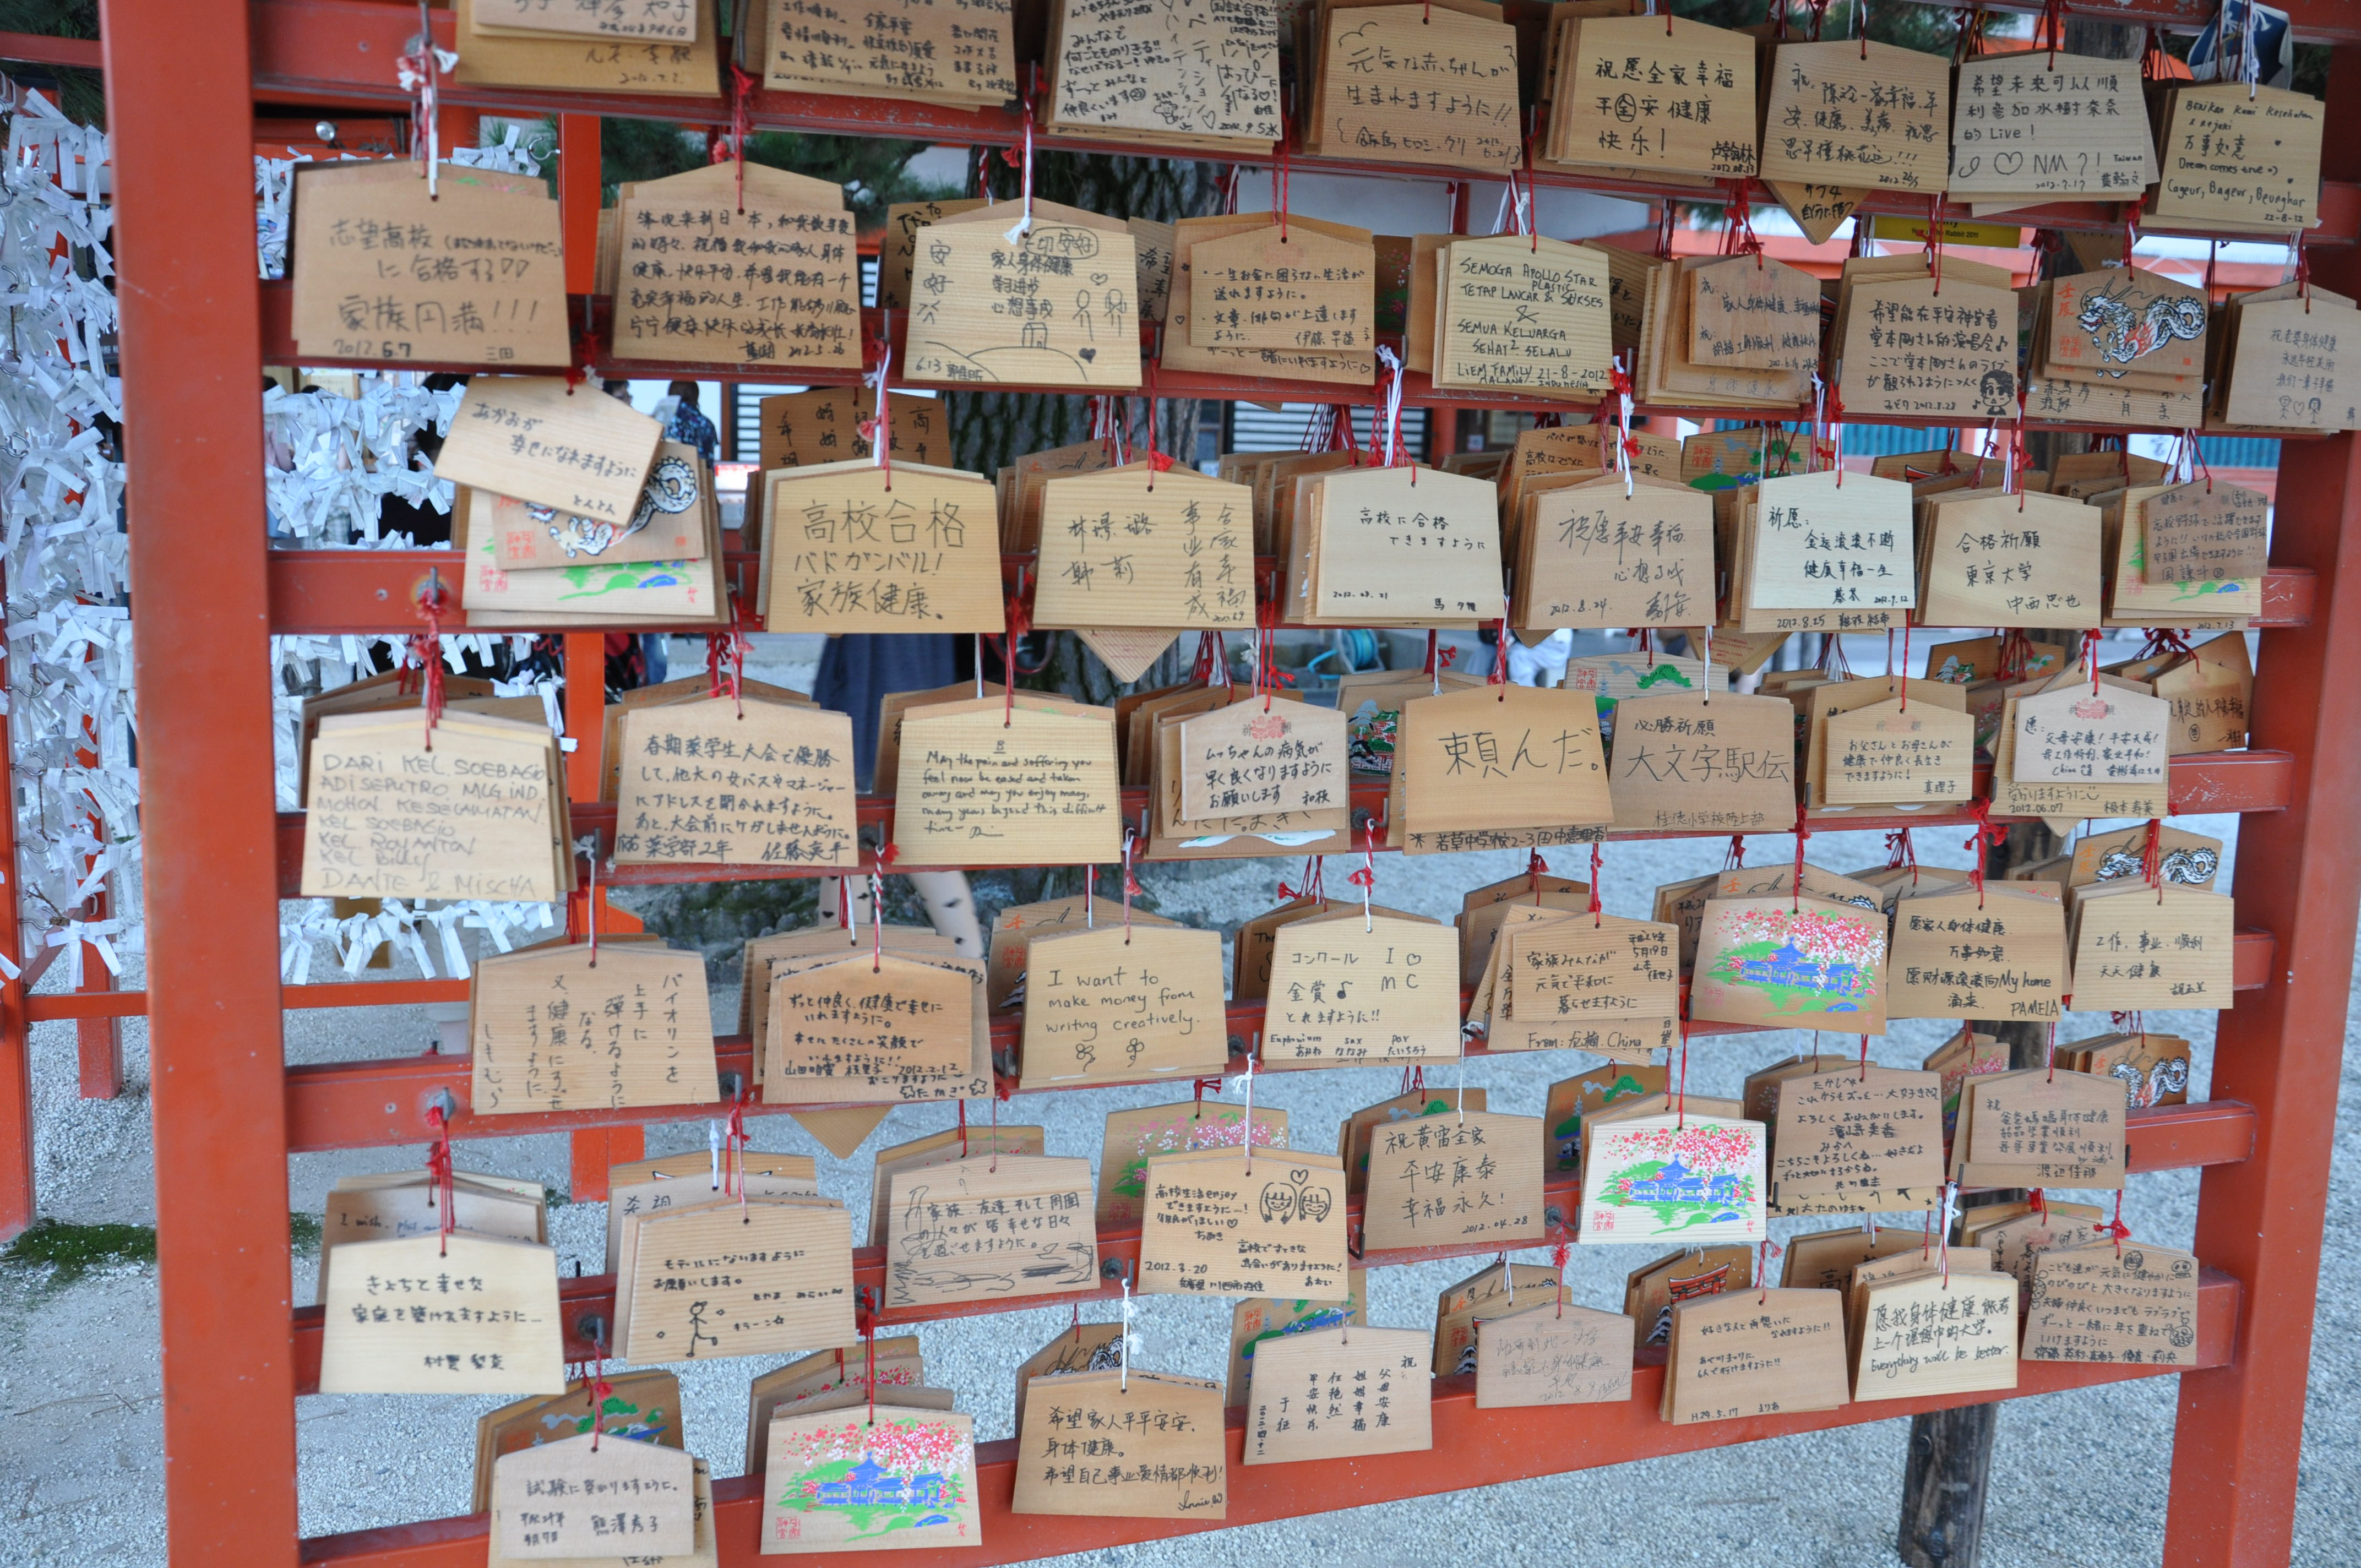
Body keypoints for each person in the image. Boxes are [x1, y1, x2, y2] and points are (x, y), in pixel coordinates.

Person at [665, 379, 720, 465]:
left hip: (666, 471)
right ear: (696, 395)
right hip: (698, 471)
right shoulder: (707, 424)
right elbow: (709, 460)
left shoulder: (662, 421)